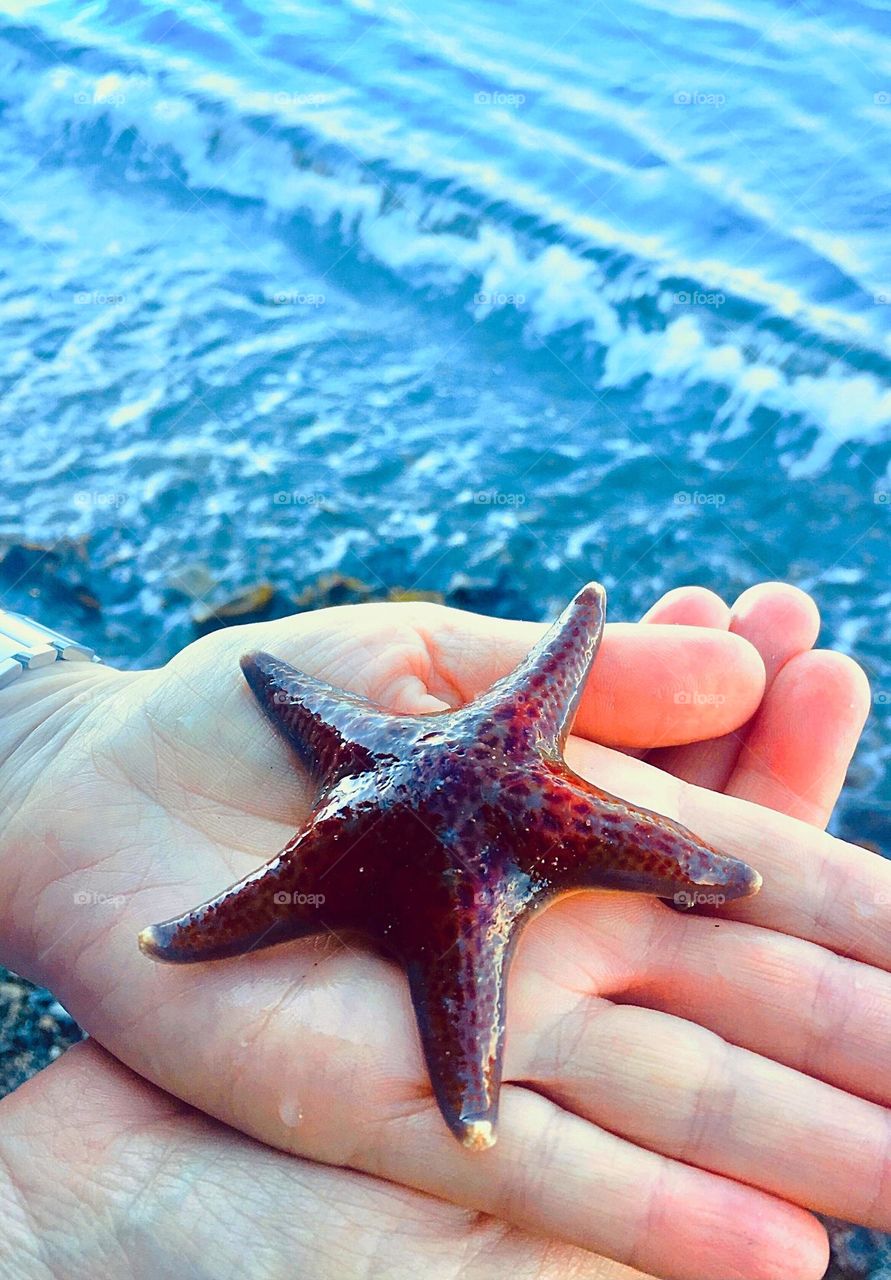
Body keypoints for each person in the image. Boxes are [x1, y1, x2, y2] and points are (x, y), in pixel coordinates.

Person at [0, 580, 881, 1280]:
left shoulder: (438, 753)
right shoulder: (459, 769)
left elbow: (531, 691)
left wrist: (35, 731)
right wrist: (42, 736)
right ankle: (470, 1104)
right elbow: (301, 696)